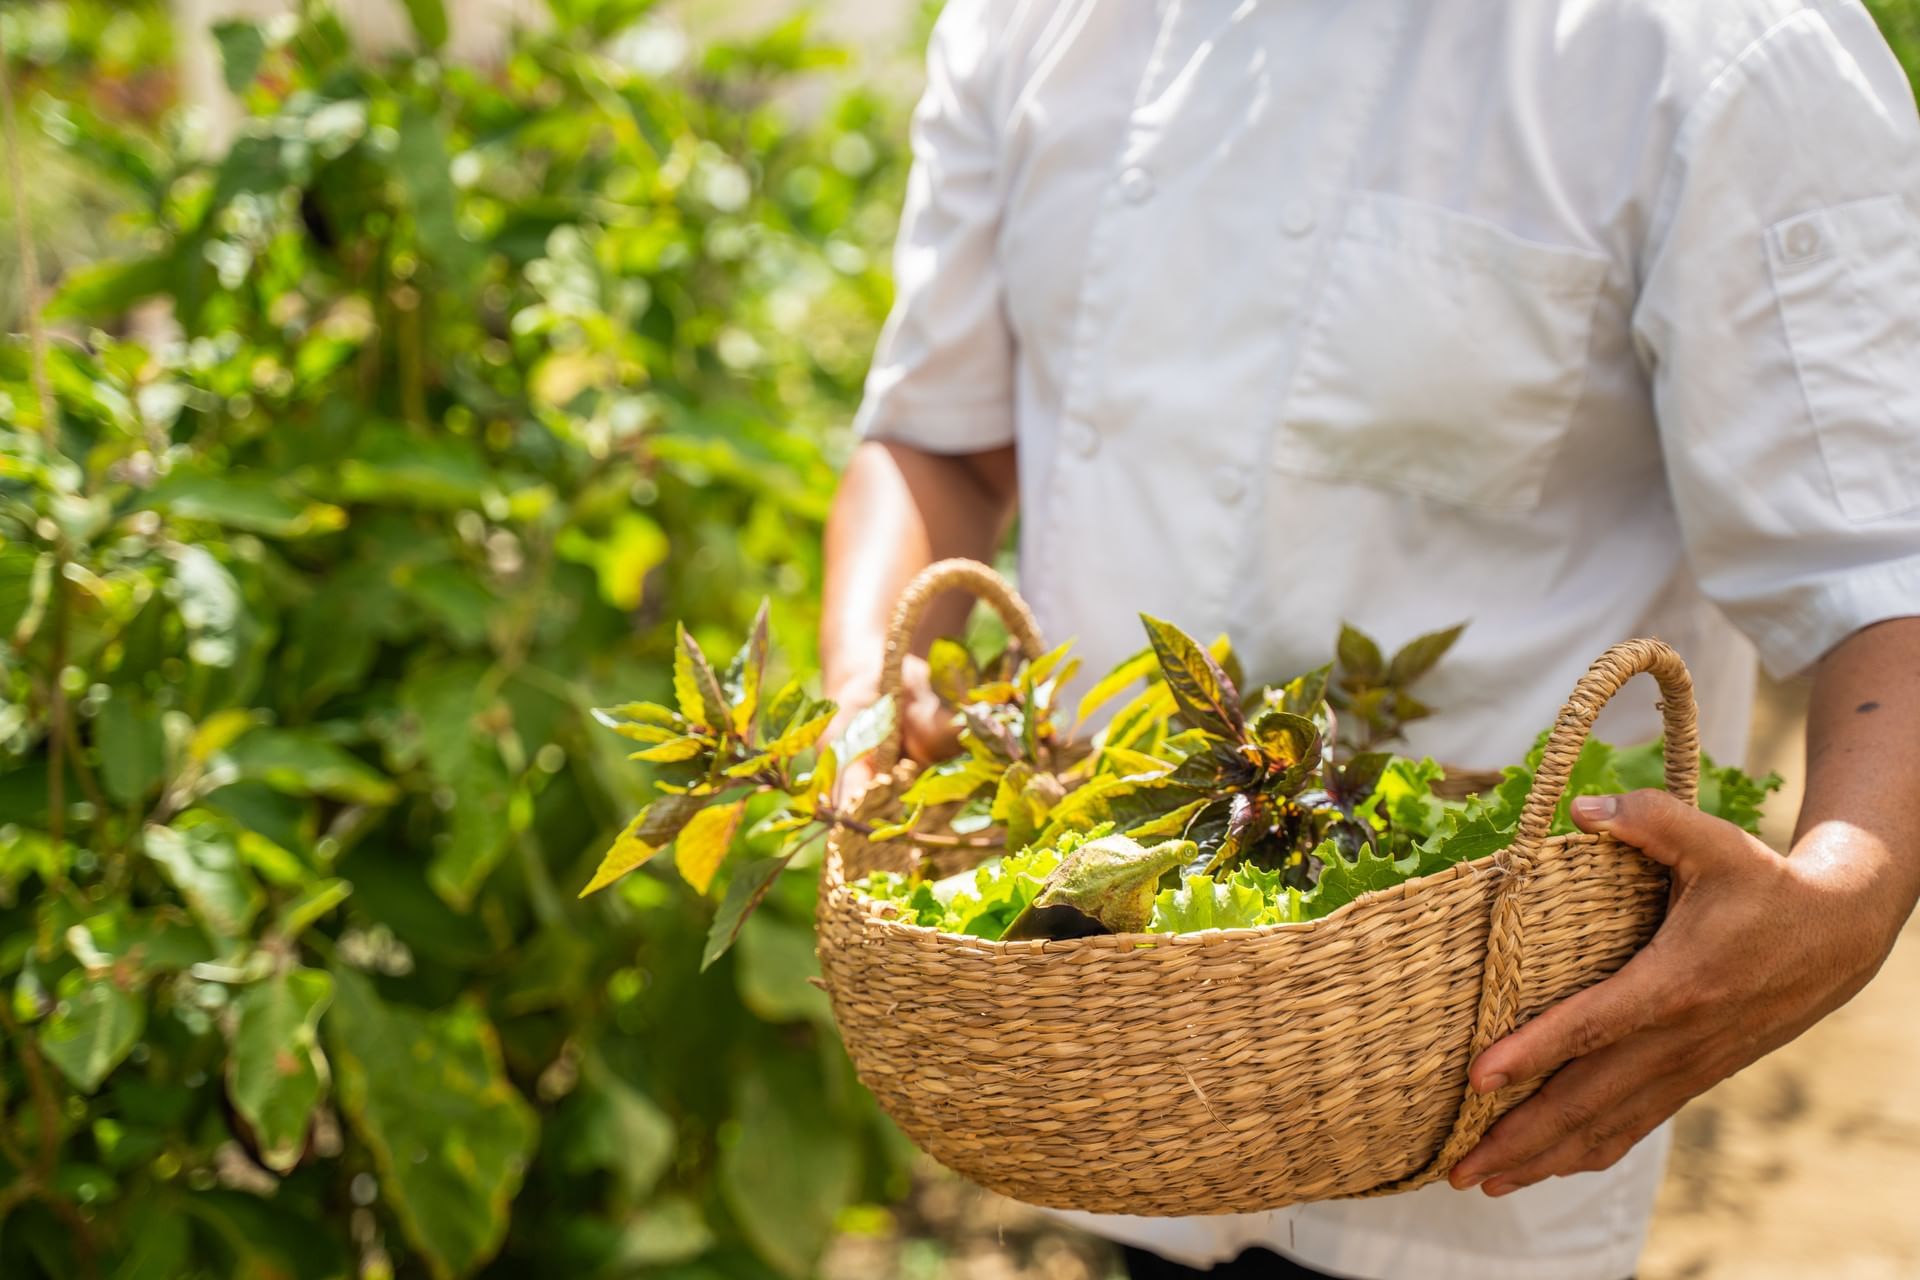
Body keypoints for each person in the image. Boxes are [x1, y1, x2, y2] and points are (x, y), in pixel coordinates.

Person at [817, 1, 1920, 1276]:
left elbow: (1886, 559)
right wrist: (871, 678)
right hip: (1114, 1062)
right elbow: (939, 432)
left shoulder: (1713, 46)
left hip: (1486, 1107)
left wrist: (1847, 896)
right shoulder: (1035, 22)